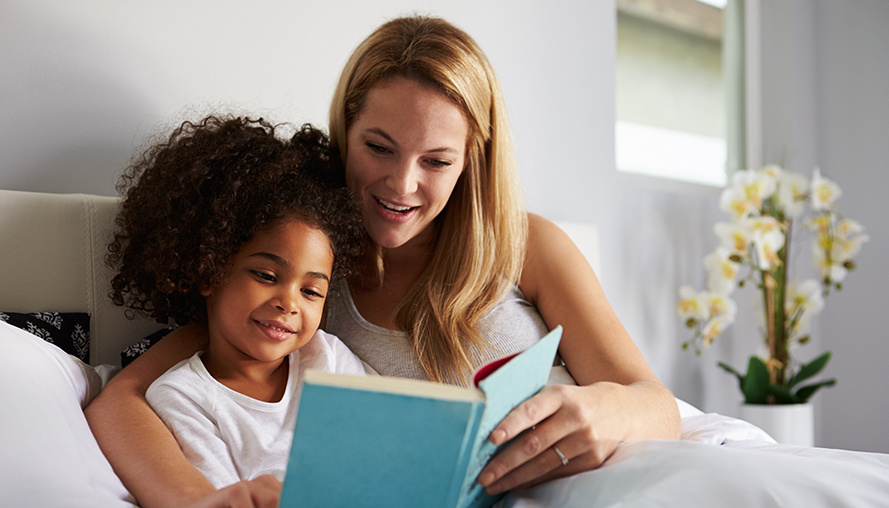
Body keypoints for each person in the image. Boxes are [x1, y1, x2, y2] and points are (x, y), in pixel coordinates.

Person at [86, 16, 681, 508]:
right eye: (378, 148)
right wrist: (203, 501)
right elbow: (122, 401)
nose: (402, 185)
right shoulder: (301, 257)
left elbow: (656, 404)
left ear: (474, 159)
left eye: (437, 161)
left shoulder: (528, 247)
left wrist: (599, 408)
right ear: (346, 130)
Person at [104, 115, 370, 493]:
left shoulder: (327, 359)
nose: (289, 303)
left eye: (311, 292)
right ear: (207, 272)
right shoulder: (183, 395)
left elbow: (373, 457)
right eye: (265, 276)